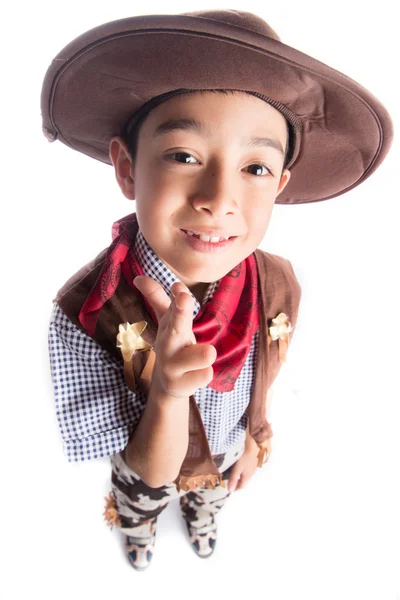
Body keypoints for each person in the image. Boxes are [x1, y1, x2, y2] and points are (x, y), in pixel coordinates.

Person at [42, 10, 393, 571]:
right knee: (141, 504)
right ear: (128, 169)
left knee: (214, 495)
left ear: (279, 186)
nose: (219, 198)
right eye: (184, 156)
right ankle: (139, 534)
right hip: (147, 468)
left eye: (254, 168)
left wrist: (257, 432)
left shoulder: (277, 281)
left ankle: (203, 517)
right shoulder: (86, 312)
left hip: (227, 450)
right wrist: (168, 393)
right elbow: (138, 463)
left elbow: (265, 369)